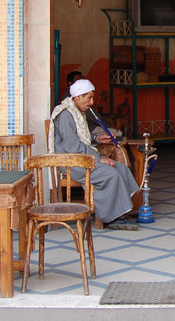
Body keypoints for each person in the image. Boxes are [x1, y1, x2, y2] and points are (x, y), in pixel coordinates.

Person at [48, 78, 140, 231]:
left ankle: (122, 209)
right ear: (78, 97)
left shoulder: (77, 112)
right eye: (89, 98)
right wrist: (99, 158)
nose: (91, 102)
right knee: (110, 174)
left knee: (121, 168)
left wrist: (96, 138)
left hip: (82, 158)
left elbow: (79, 137)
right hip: (71, 163)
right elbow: (73, 147)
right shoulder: (65, 114)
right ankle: (114, 217)